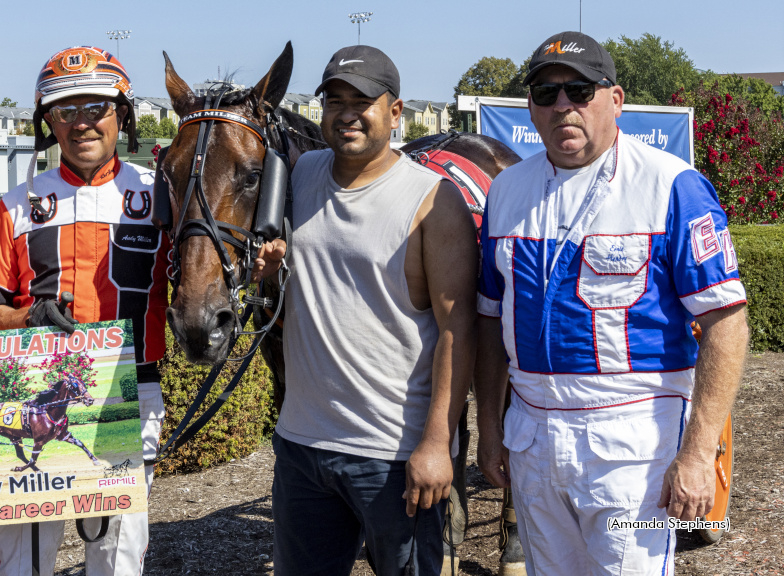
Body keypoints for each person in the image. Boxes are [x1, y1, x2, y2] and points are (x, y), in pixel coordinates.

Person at [475, 31, 749, 575]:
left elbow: (726, 323)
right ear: (530, 107)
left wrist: (697, 454)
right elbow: (489, 321)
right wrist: (488, 428)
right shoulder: (506, 192)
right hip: (531, 439)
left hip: (634, 451)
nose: (562, 107)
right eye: (545, 94)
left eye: (578, 90)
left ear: (616, 100)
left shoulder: (673, 185)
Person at [270, 45, 478, 575]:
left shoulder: (433, 200)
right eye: (334, 100)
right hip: (302, 447)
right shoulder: (299, 177)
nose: (346, 113)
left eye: (362, 101)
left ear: (395, 111)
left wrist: (437, 443)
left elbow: (459, 328)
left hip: (392, 452)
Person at [0, 46, 168, 576]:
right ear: (48, 123)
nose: (81, 123)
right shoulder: (15, 206)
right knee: (24, 562)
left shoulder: (160, 198)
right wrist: (26, 319)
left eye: (96, 109)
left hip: (131, 391)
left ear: (122, 115)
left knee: (116, 560)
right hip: (30, 395)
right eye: (65, 111)